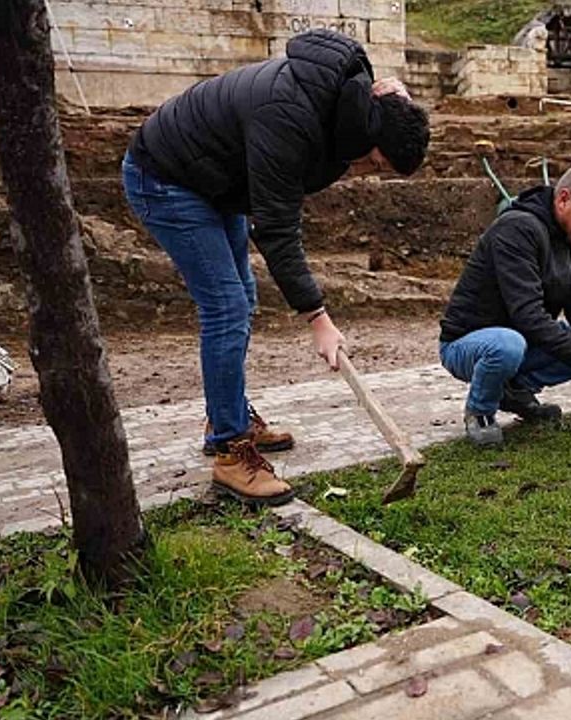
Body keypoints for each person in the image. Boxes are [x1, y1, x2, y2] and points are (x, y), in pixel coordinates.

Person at [122, 29, 430, 505]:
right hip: (166, 177)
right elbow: (277, 231)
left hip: (216, 179)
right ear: (369, 132)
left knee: (241, 298)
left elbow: (381, 99)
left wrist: (398, 108)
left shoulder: (352, 102)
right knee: (226, 307)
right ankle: (230, 454)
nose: (367, 170)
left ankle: (226, 414)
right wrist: (318, 320)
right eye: (375, 162)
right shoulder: (290, 119)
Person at [438, 164, 571, 446]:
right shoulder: (516, 230)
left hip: (523, 341)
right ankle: (480, 411)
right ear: (563, 200)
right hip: (467, 343)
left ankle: (513, 393)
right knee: (507, 345)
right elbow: (527, 314)